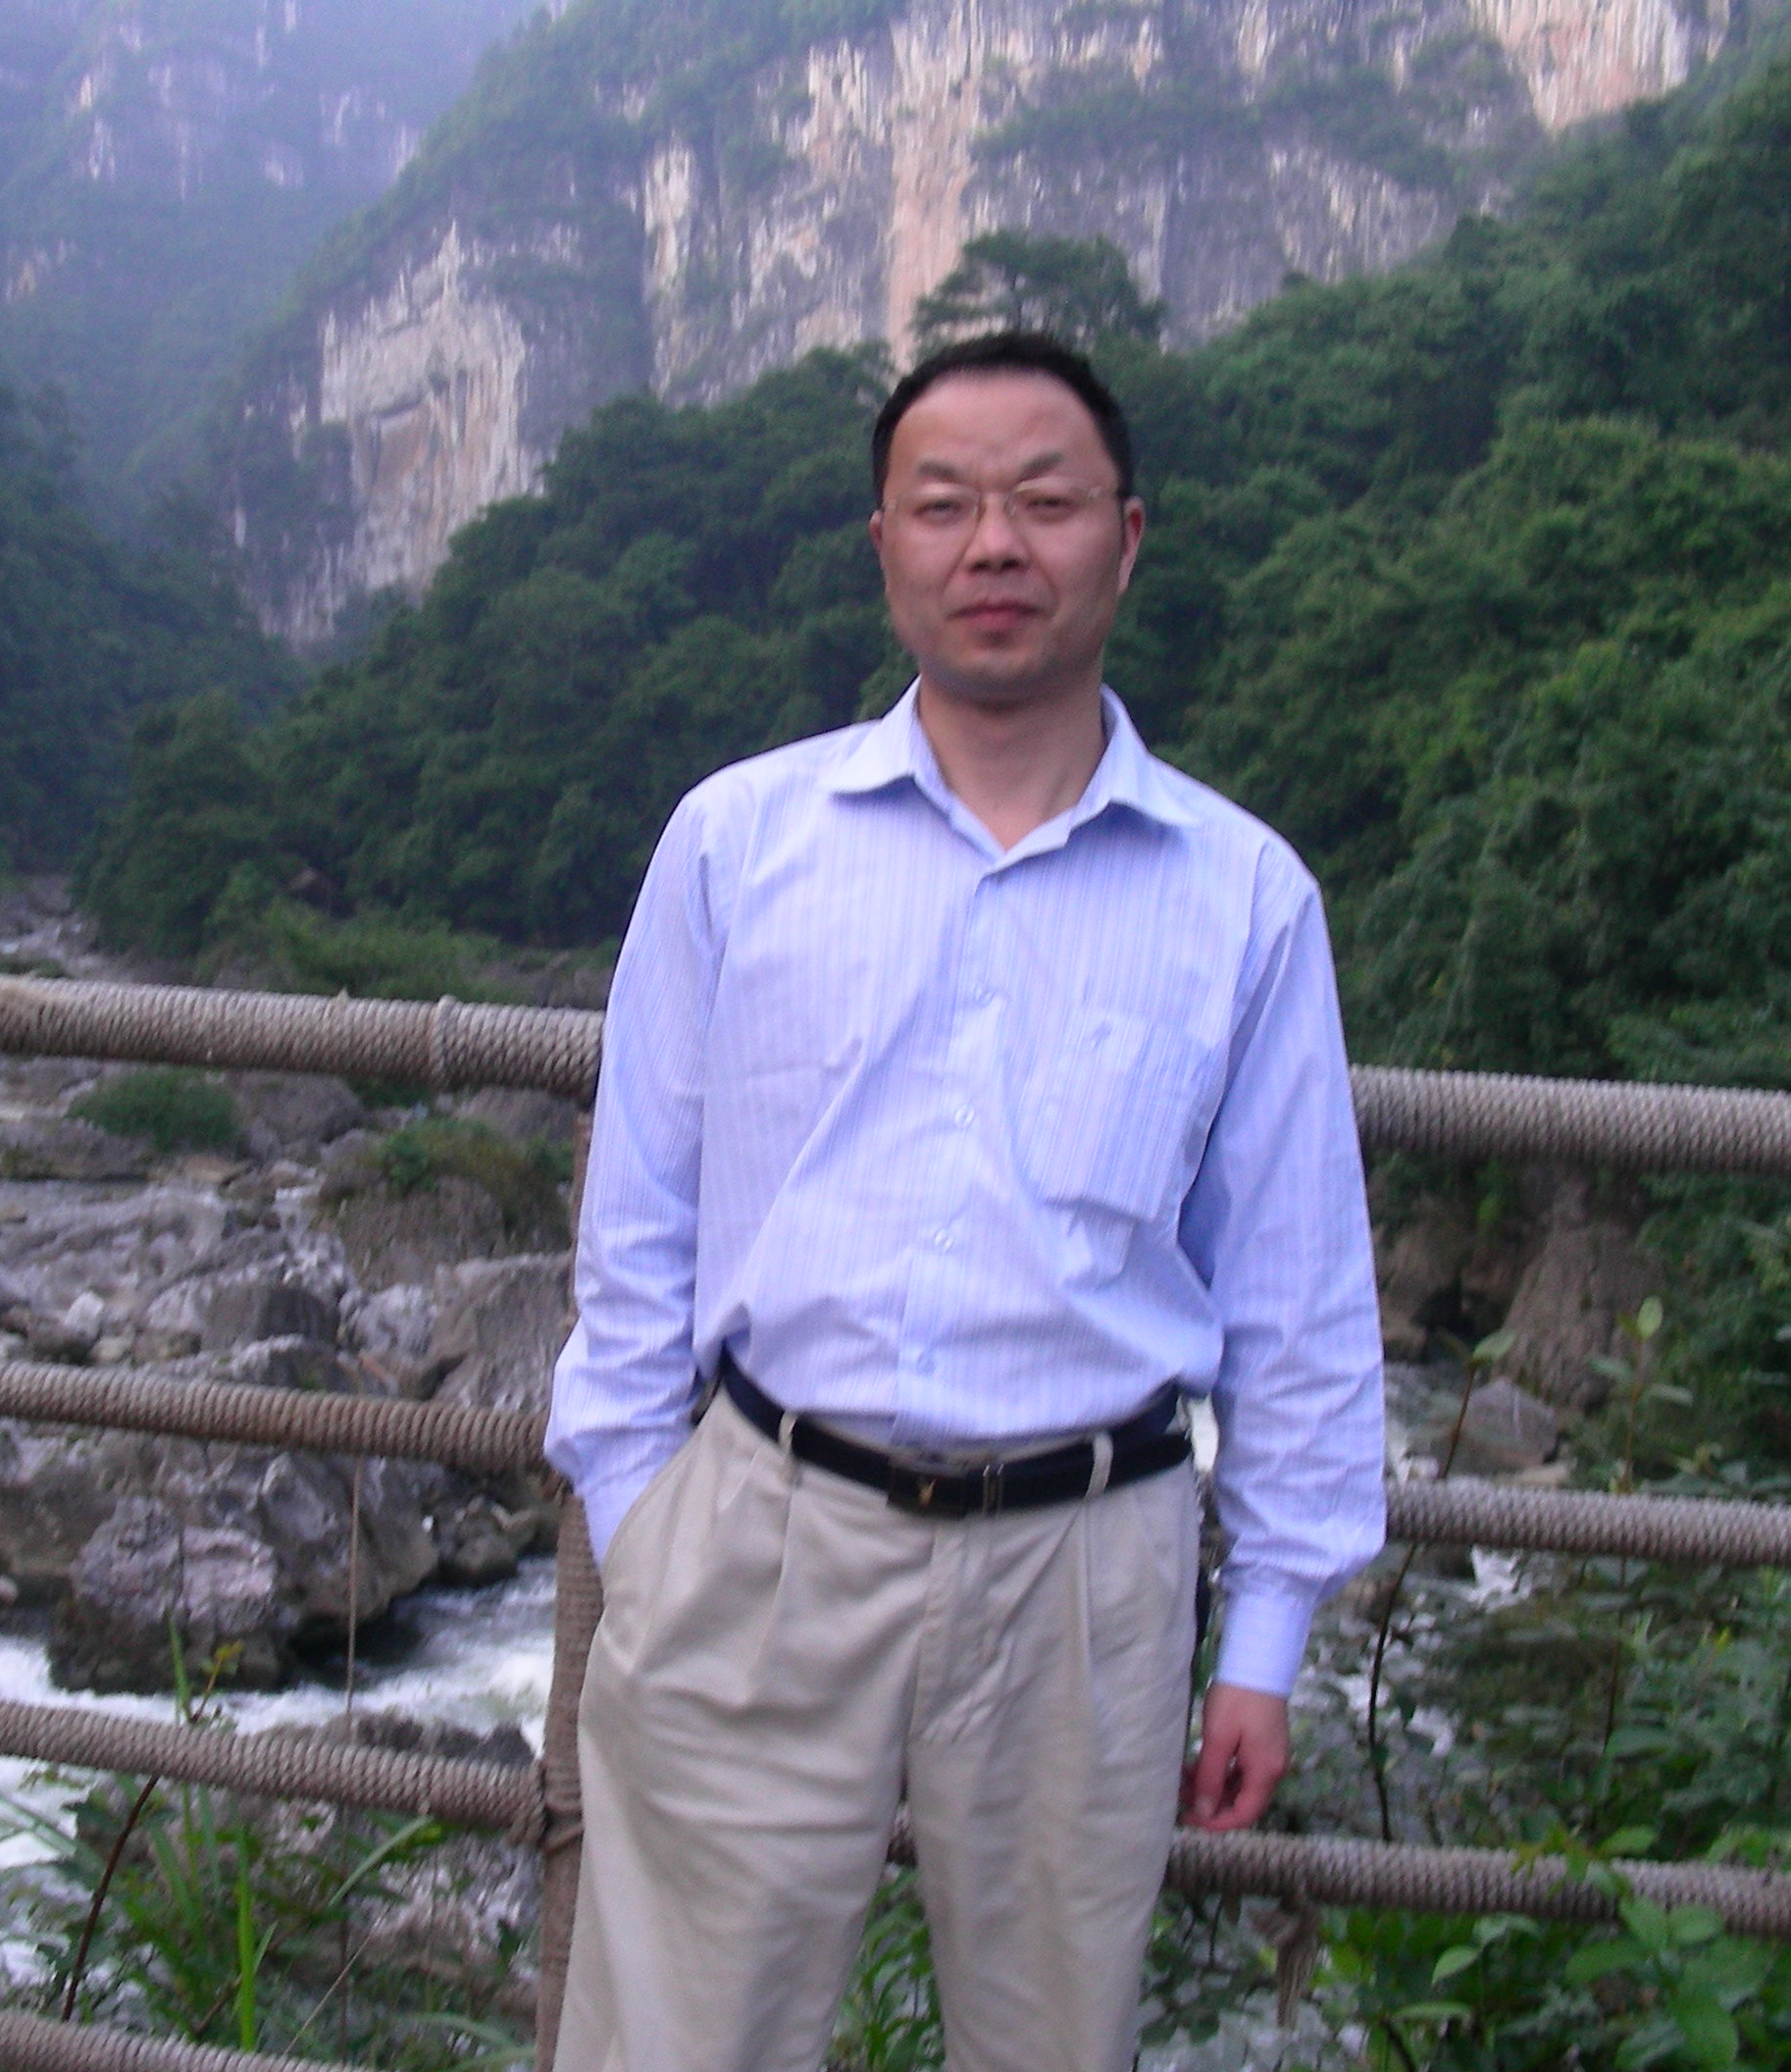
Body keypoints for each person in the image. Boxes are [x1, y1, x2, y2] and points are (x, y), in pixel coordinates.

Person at [543, 331, 1385, 2072]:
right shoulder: (736, 843)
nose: (994, 544)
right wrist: (644, 1537)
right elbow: (636, 1234)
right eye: (943, 505)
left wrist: (1266, 1639)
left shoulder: (1244, 895)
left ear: (1125, 540)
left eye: (1044, 502)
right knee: (677, 2044)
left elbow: (1296, 1295)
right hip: (762, 1536)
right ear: (884, 549)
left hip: (1092, 1567)